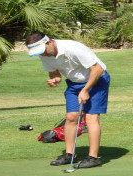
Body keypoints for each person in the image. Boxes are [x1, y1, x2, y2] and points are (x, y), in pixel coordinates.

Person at [25, 31, 110, 168]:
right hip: (74, 83)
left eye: (43, 50)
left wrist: (85, 90)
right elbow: (54, 71)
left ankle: (93, 158)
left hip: (97, 80)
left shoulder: (72, 48)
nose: (43, 54)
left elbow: (98, 69)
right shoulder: (45, 53)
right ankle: (70, 155)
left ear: (50, 41)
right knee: (71, 117)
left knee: (91, 118)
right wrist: (55, 79)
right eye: (39, 53)